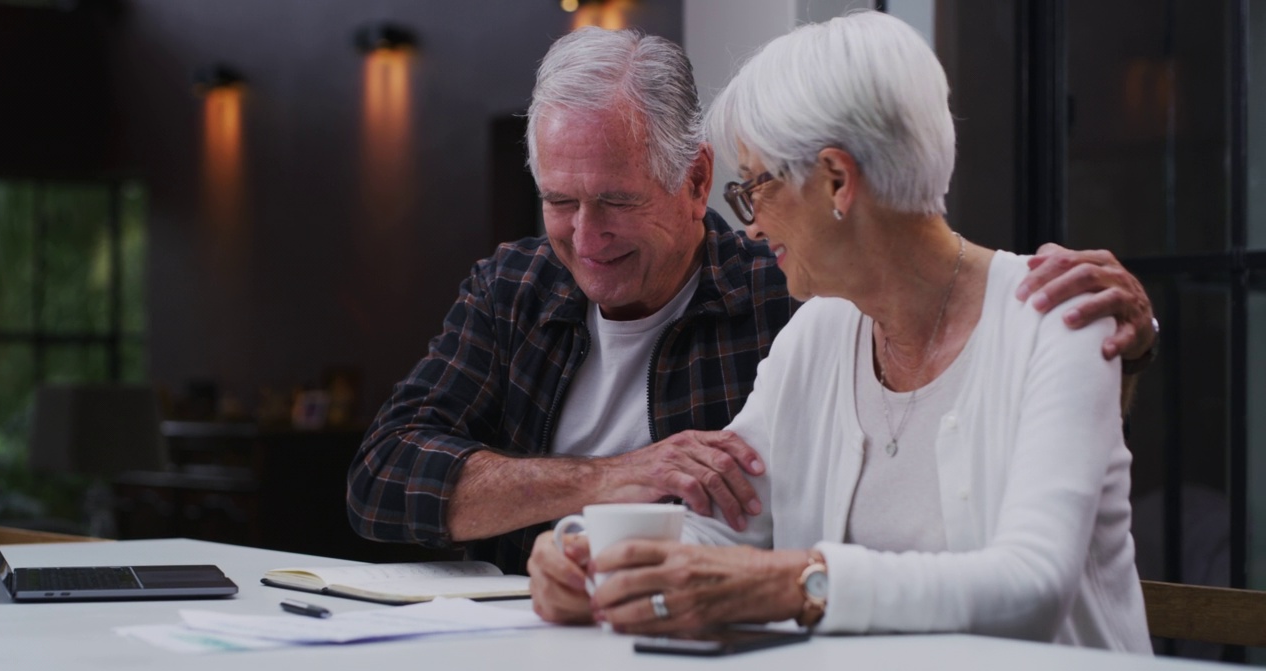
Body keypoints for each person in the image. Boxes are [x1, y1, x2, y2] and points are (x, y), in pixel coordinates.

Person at [348, 25, 1158, 579]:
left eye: (618, 202)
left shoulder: (795, 292)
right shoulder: (512, 289)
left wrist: (1118, 342)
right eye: (561, 201)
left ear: (695, 182)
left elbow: (935, 286)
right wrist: (591, 509)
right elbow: (381, 480)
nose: (584, 237)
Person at [527, 13, 1152, 653]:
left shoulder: (1059, 316)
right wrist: (584, 552)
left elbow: (1030, 587)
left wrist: (794, 583)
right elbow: (723, 530)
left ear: (836, 180)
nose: (748, 227)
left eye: (755, 188)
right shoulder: (817, 334)